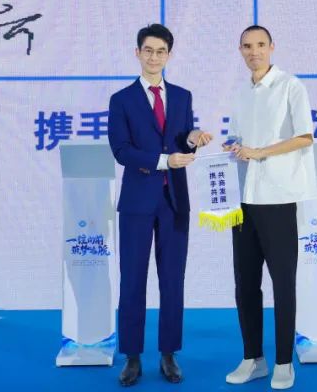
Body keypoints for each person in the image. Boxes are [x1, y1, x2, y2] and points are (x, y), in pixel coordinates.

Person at [108, 23, 213, 386]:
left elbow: (181, 139)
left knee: (172, 279)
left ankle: (169, 353)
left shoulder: (182, 96)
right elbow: (121, 150)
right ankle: (132, 357)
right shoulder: (121, 100)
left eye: (161, 51)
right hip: (137, 202)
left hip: (174, 201)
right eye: (148, 51)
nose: (154, 57)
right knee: (132, 279)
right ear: (137, 53)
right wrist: (165, 160)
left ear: (169, 55)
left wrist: (193, 138)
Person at [223, 25, 317, 390]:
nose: (254, 51)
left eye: (261, 45)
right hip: (244, 198)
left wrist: (260, 152)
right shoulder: (240, 93)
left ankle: (283, 362)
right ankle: (253, 358)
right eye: (247, 46)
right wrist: (232, 147)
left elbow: (304, 136)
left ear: (272, 47)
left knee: (283, 282)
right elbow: (238, 138)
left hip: (277, 197)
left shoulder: (291, 86)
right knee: (245, 282)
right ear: (240, 50)